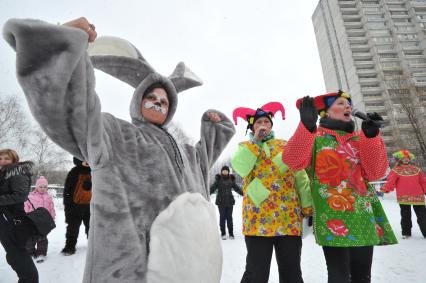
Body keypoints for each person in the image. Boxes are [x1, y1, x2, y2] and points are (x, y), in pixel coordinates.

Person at [4, 17, 235, 283]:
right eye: (151, 98)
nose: (158, 104)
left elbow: (206, 156)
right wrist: (63, 47)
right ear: (138, 101)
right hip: (132, 270)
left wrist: (214, 126)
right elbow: (74, 113)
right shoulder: (117, 135)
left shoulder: (186, 152)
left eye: (164, 101)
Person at [282, 91, 398, 283]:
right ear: (325, 113)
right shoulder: (315, 138)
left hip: (362, 216)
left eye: (349, 104)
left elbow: (376, 174)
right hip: (333, 219)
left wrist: (371, 136)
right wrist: (306, 127)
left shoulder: (359, 139)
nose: (348, 107)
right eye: (341, 103)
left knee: (362, 277)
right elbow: (292, 161)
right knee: (339, 277)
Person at [231, 102, 312, 283]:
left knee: (292, 272)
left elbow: (301, 176)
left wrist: (307, 206)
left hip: (288, 217)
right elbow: (241, 168)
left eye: (267, 122)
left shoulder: (285, 145)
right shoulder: (245, 147)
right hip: (257, 219)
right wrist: (255, 143)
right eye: (259, 122)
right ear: (252, 127)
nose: (263, 125)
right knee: (255, 273)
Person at [0, 149, 38, 282]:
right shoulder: (4, 173)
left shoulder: (17, 172)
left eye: (7, 158)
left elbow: (20, 195)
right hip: (5, 219)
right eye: (0, 158)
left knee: (17, 253)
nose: (3, 161)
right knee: (13, 254)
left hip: (13, 219)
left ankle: (30, 280)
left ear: (14, 160)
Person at [381, 149, 426, 239]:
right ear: (400, 159)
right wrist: (386, 189)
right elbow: (391, 181)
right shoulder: (396, 170)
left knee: (423, 216)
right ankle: (406, 232)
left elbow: (423, 181)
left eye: (407, 157)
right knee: (405, 215)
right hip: (403, 197)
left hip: (418, 196)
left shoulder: (416, 169)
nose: (406, 159)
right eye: (403, 158)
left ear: (410, 159)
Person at [60, 157, 91, 255]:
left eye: (88, 158)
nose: (87, 161)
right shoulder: (74, 172)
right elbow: (67, 191)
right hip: (75, 207)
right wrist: (68, 208)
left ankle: (94, 246)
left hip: (92, 207)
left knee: (92, 228)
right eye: (84, 158)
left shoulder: (96, 172)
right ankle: (69, 247)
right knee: (72, 228)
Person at [24, 176, 56, 263]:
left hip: (43, 222)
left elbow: (51, 208)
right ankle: (30, 253)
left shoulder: (48, 197)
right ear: (37, 187)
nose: (43, 189)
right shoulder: (30, 197)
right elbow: (26, 207)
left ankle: (41, 254)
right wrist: (27, 217)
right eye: (41, 187)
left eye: (45, 187)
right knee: (30, 239)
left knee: (42, 239)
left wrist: (52, 217)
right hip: (33, 221)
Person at [210, 165, 243, 240]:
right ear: (221, 172)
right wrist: (207, 192)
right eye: (223, 171)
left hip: (229, 201)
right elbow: (213, 188)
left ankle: (231, 233)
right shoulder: (218, 180)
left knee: (229, 218)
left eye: (226, 171)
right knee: (222, 218)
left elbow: (236, 188)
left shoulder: (231, 180)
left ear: (228, 172)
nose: (225, 172)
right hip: (221, 202)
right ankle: (223, 233)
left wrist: (243, 193)